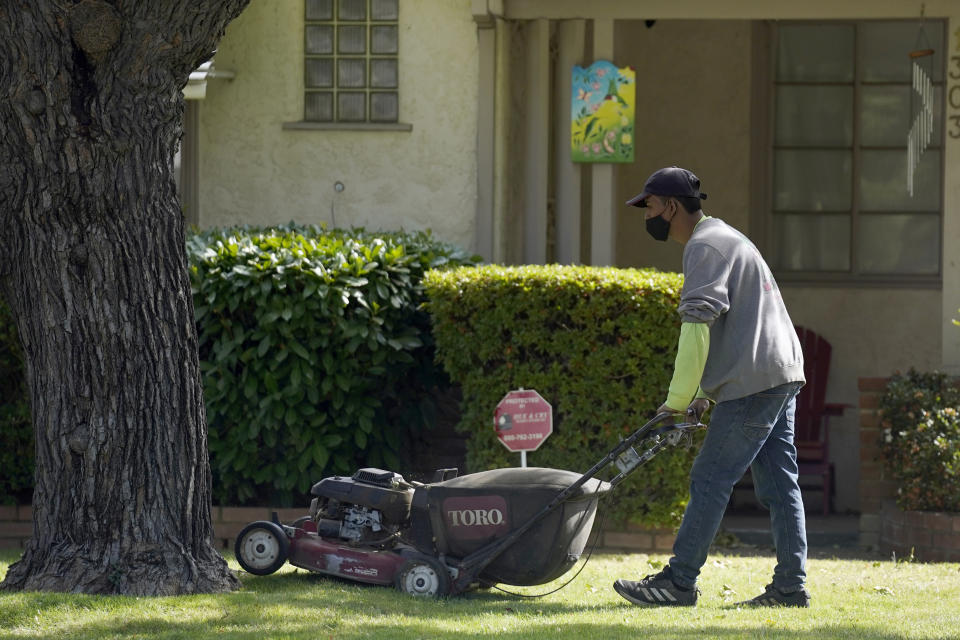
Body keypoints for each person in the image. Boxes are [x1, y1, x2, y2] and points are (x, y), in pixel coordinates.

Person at [613, 166, 809, 608]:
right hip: (781, 372)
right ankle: (790, 588)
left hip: (755, 382)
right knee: (780, 485)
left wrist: (677, 401)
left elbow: (698, 324)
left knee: (709, 477)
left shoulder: (704, 246)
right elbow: (733, 325)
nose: (647, 216)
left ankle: (678, 583)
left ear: (670, 206)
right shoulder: (727, 237)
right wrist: (703, 394)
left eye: (649, 206)